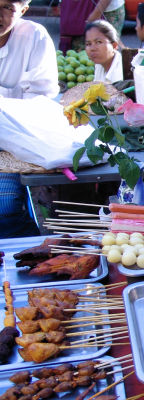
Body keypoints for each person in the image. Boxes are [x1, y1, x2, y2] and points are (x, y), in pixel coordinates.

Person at [0, 0, 58, 238]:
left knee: (5, 208)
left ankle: (23, 251)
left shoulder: (35, 36)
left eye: (7, 8)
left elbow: (39, 104)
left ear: (22, 11)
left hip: (14, 145)